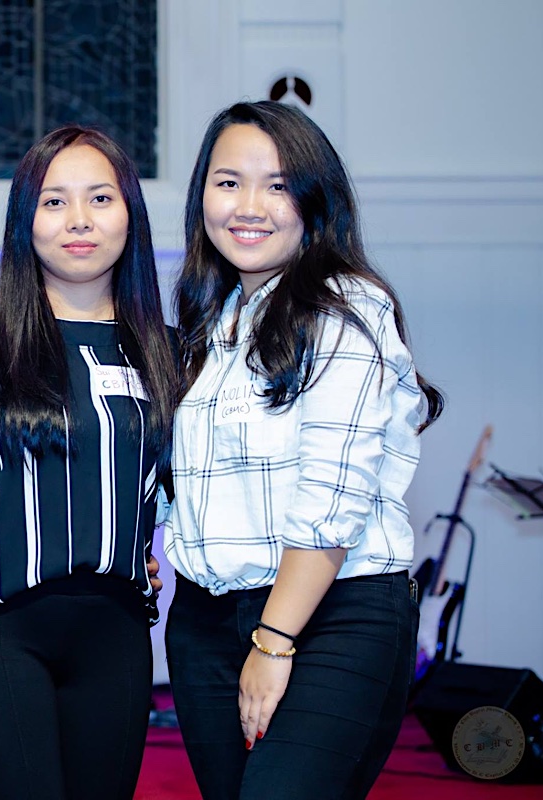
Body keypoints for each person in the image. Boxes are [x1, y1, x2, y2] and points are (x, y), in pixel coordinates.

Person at [163, 100, 445, 800]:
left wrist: (273, 639)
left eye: (279, 185)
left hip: (331, 614)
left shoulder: (344, 310)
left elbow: (331, 497)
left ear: (315, 201)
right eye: (228, 182)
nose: (249, 206)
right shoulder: (210, 326)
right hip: (205, 619)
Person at [0, 126, 178, 800]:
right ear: (24, 221)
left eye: (100, 198)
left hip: (117, 636)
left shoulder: (169, 352)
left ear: (131, 213)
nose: (79, 220)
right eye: (54, 201)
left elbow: (188, 489)